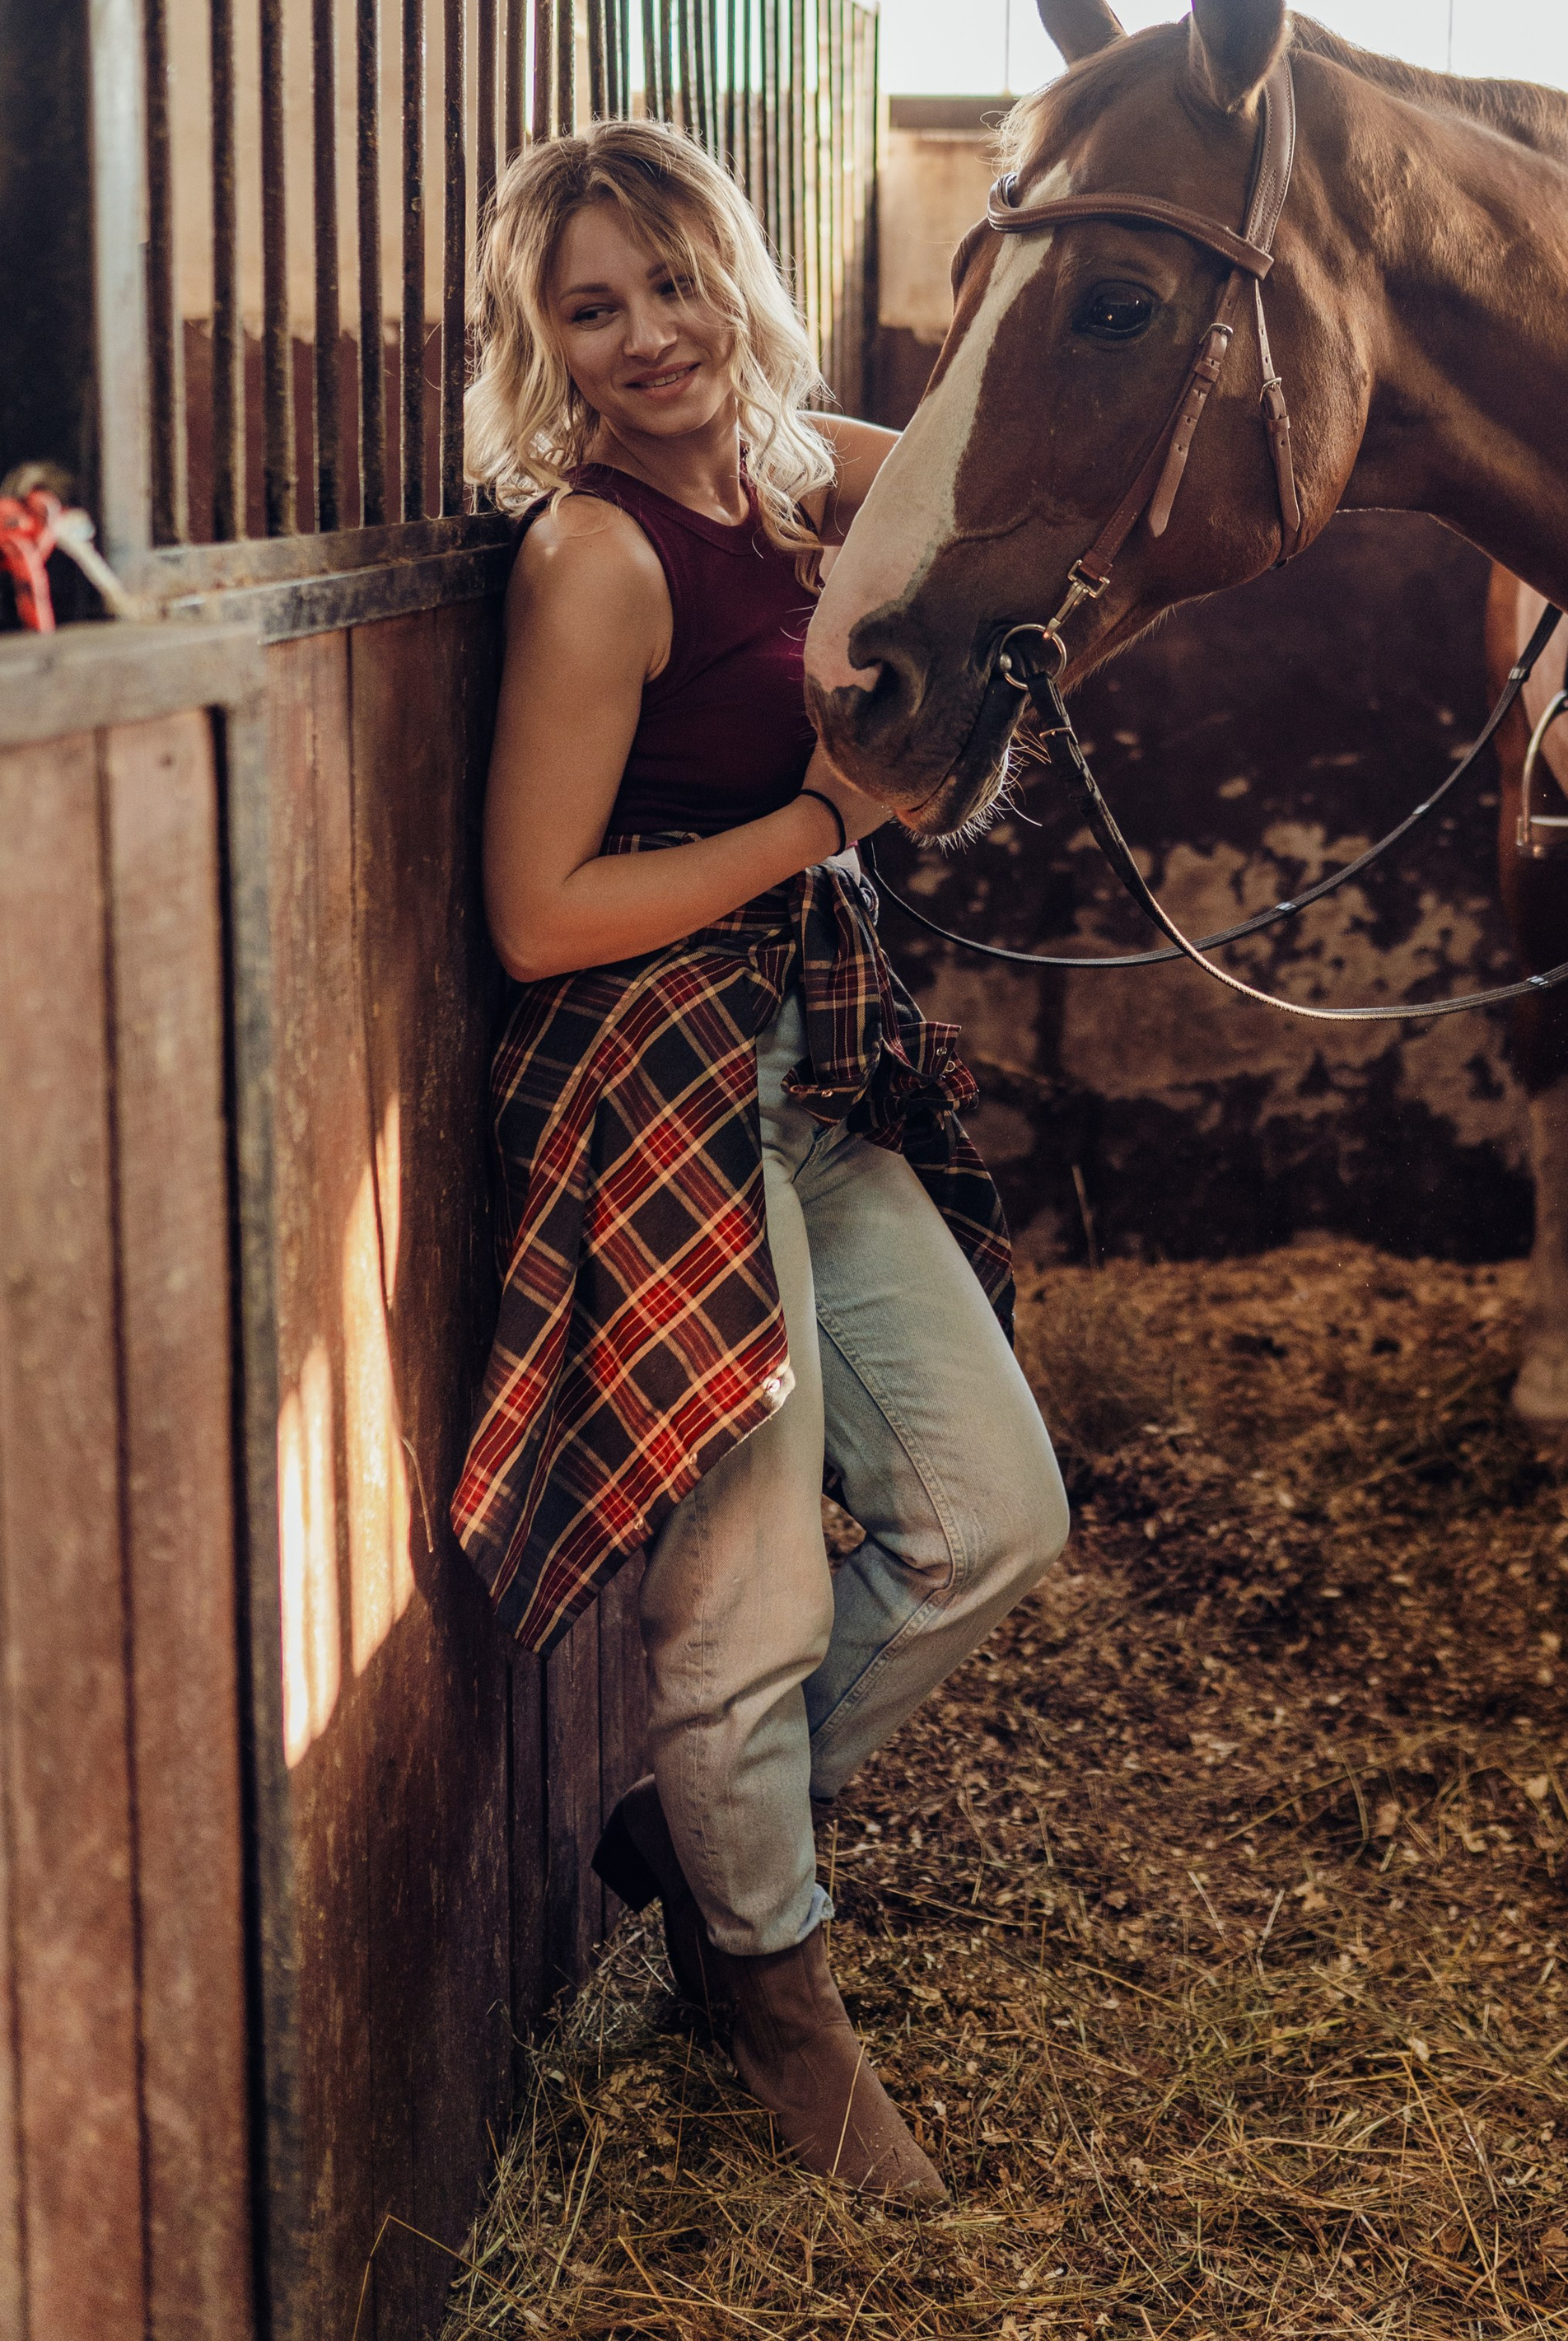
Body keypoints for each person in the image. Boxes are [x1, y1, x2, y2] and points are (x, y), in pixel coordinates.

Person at [448, 119, 1067, 2202]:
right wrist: (817, 826)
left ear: (737, 272)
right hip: (657, 1086)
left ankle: (705, 1849)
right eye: (587, 311)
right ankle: (774, 1992)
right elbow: (536, 913)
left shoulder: (817, 481)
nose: (644, 336)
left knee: (992, 1519)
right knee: (746, 1600)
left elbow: (1035, 499)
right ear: (541, 345)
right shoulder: (598, 558)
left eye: (670, 282)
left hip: (815, 1070)